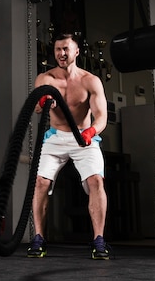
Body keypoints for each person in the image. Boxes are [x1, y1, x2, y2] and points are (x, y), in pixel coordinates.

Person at [28, 33, 110, 260]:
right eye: (57, 50)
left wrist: (91, 132)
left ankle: (99, 240)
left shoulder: (90, 80)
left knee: (96, 181)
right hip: (55, 138)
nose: (61, 54)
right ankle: (39, 238)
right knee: (40, 182)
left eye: (66, 49)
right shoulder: (45, 79)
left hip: (84, 137)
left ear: (76, 52)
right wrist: (43, 102)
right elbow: (35, 107)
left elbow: (102, 116)